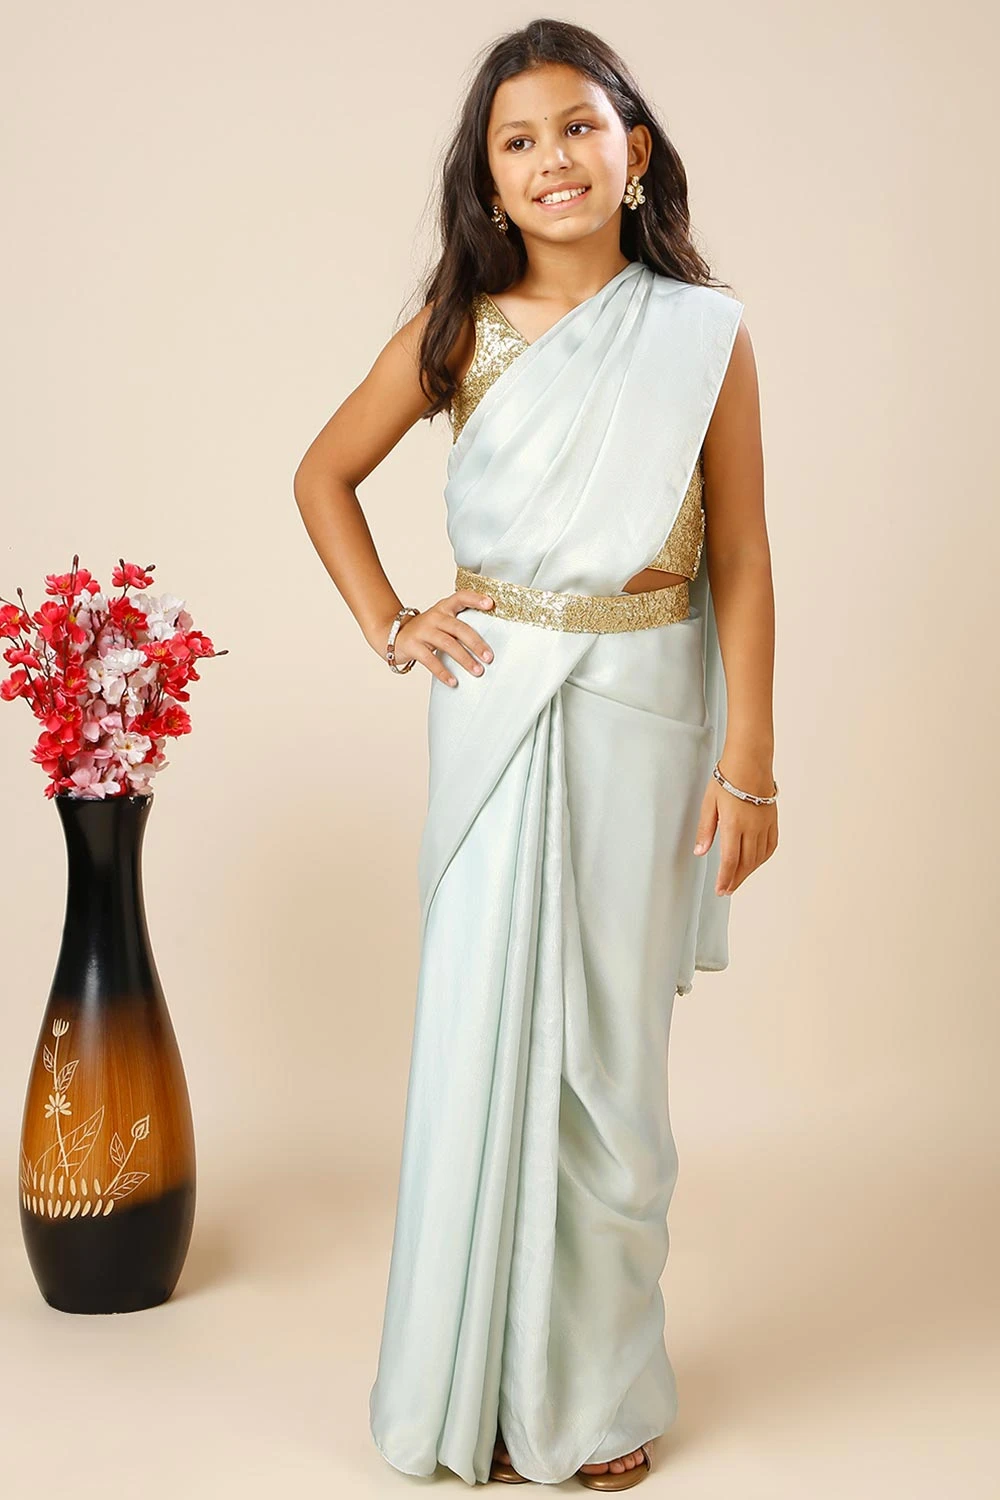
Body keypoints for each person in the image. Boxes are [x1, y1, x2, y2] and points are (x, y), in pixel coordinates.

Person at [293, 17, 777, 1490]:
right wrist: (393, 623)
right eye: (519, 141)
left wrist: (750, 761)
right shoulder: (458, 330)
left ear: (635, 152)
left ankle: (594, 1395)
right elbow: (322, 474)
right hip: (495, 703)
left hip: (647, 708)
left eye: (579, 127)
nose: (553, 159)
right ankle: (474, 1392)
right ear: (488, 180)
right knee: (485, 1039)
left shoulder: (703, 335)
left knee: (608, 1068)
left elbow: (743, 557)